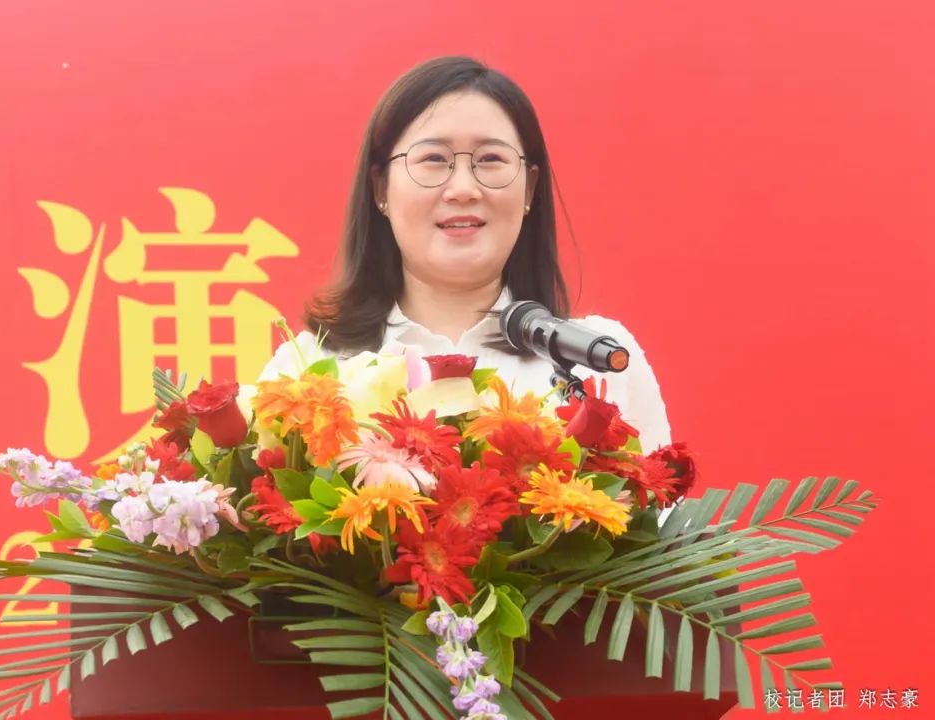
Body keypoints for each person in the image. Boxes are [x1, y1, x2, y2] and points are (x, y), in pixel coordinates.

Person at [259, 56, 671, 453]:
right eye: (433, 159)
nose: (463, 189)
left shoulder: (596, 358)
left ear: (529, 189)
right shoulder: (309, 369)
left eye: (490, 159)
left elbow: (659, 500)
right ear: (381, 188)